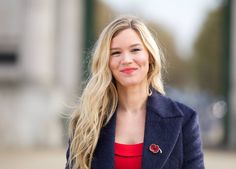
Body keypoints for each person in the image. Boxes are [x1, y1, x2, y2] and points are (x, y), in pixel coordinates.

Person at [65, 15, 205, 169]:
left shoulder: (185, 120)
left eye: (135, 50)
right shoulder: (86, 121)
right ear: (106, 62)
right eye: (115, 53)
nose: (126, 59)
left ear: (150, 57)